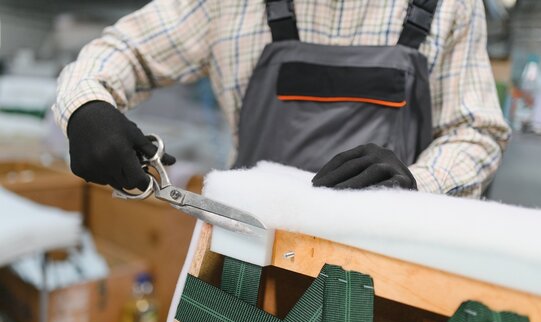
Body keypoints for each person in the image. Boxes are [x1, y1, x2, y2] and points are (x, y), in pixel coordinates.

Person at [53, 0, 510, 198]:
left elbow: (476, 130)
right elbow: (126, 51)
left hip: (390, 270)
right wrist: (87, 106)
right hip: (250, 262)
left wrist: (419, 182)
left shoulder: (450, 6)